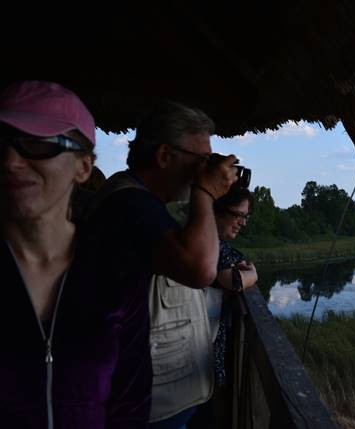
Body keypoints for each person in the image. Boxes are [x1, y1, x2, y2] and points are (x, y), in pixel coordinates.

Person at [0, 80, 151, 428]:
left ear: (83, 167)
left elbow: (130, 406)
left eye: (37, 144)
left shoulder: (117, 272)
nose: (9, 161)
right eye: (0, 144)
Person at [83, 101, 239, 429]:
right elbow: (201, 268)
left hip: (149, 398)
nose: (206, 169)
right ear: (165, 156)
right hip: (143, 407)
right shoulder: (130, 204)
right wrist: (206, 192)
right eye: (202, 160)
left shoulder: (139, 201)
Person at [188, 187, 257, 429]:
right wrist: (254, 274)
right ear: (214, 210)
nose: (241, 223)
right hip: (195, 358)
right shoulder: (211, 246)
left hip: (196, 353)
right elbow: (234, 281)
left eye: (245, 217)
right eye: (237, 215)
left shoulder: (202, 240)